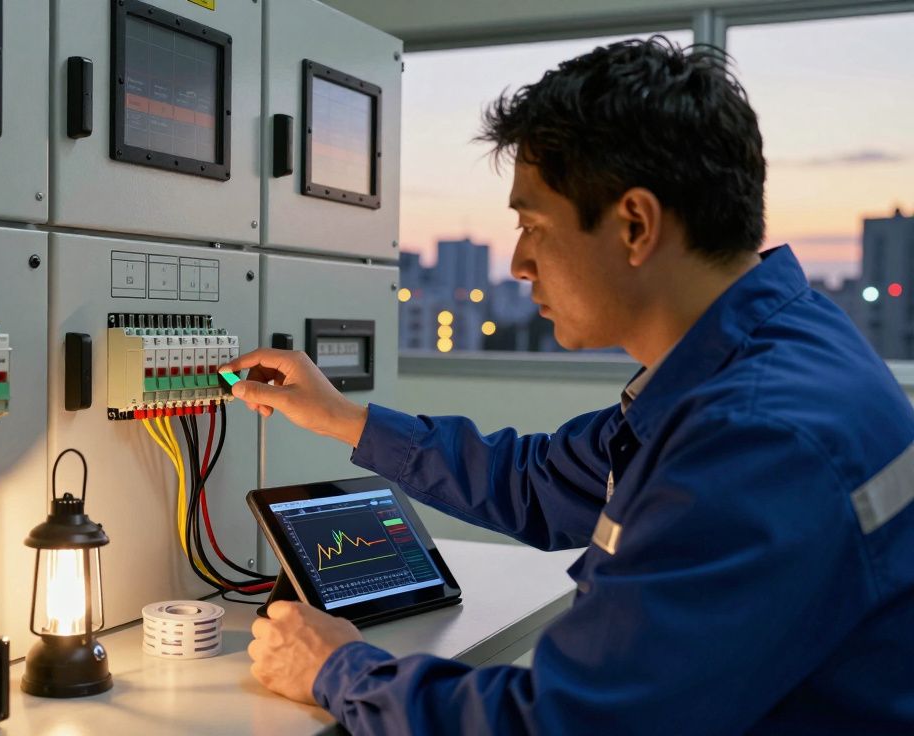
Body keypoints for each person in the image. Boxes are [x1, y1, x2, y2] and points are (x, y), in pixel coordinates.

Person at [222, 37, 914, 735]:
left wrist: (337, 669)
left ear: (635, 225)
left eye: (532, 225)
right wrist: (341, 417)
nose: (520, 262)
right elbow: (538, 481)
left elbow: (564, 724)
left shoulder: (751, 438)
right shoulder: (771, 348)